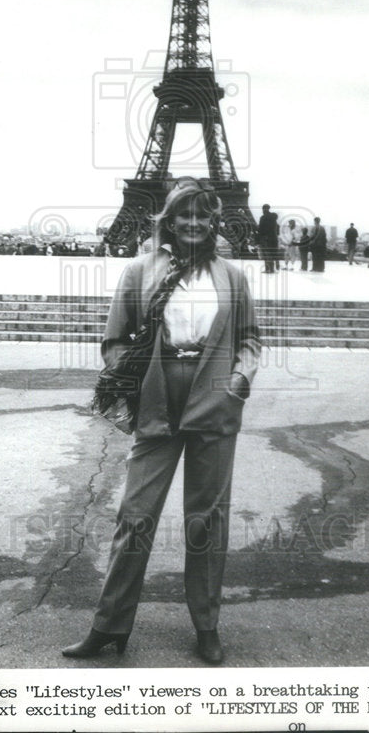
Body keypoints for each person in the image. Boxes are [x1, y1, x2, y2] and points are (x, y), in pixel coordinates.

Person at [62, 178, 262, 666]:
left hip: (214, 396)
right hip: (157, 396)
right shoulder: (139, 268)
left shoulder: (233, 277)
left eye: (202, 216)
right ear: (169, 220)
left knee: (207, 520)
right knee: (135, 516)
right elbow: (114, 338)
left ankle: (206, 624)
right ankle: (109, 626)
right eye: (183, 215)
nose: (193, 223)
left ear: (214, 221)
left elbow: (251, 340)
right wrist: (125, 377)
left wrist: (239, 379)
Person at [257, 203, 279, 274]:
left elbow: (260, 229)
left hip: (265, 238)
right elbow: (276, 229)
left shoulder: (263, 218)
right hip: (273, 238)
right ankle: (272, 268)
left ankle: (268, 269)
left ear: (263, 209)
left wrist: (258, 236)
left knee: (266, 254)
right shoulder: (273, 218)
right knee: (271, 253)